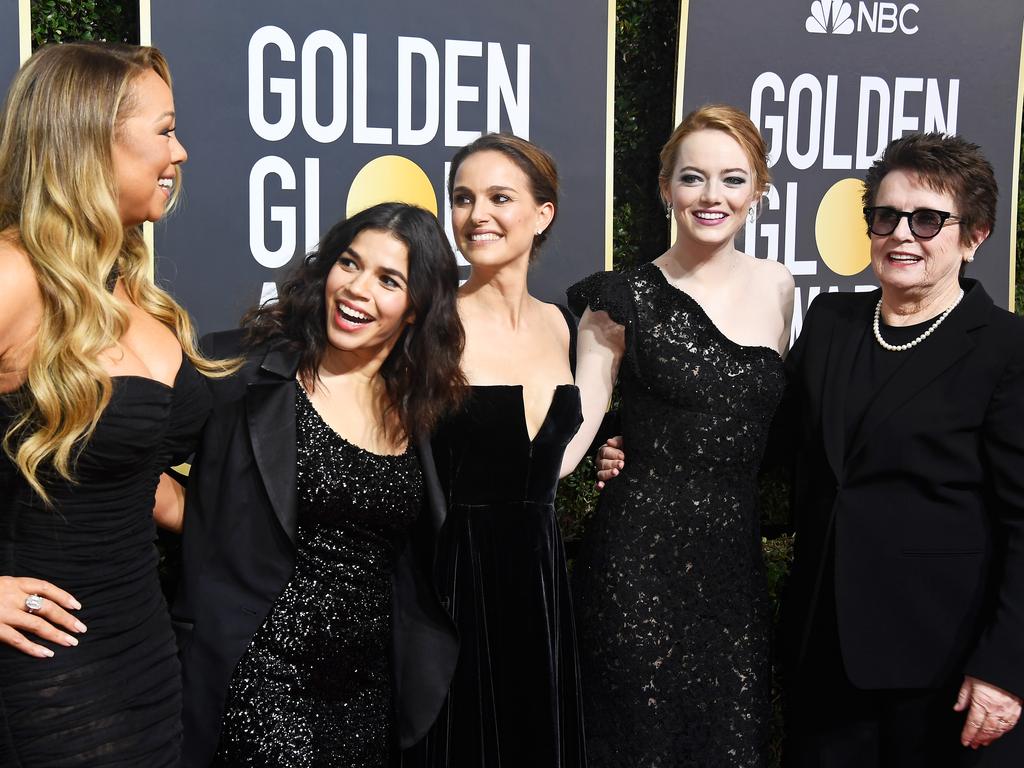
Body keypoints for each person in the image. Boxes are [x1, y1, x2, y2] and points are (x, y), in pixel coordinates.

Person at [0, 42, 230, 764]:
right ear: (89, 139)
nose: (182, 151)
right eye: (163, 130)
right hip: (45, 668)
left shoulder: (131, 291)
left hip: (143, 650)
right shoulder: (11, 277)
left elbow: (135, 484)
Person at [171, 202, 466, 767]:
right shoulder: (242, 369)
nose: (357, 289)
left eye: (388, 280)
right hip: (260, 680)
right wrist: (205, 516)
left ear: (415, 309)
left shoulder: (423, 407)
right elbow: (126, 466)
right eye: (349, 264)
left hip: (367, 696)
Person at [773, 133, 1023, 767]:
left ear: (976, 235)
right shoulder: (832, 322)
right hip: (823, 651)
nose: (901, 234)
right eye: (886, 216)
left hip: (944, 666)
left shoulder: (1004, 349)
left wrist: (1004, 667)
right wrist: (640, 447)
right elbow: (772, 442)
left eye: (928, 219)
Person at [562, 104, 794, 766]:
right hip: (635, 564)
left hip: (733, 573)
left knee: (730, 743)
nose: (711, 196)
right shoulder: (621, 297)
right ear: (666, 189)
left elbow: (766, 427)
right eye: (693, 178)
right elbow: (580, 422)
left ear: (758, 188)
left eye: (732, 178)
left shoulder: (781, 288)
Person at [403, 133, 587, 767]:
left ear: (543, 213)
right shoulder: (429, 326)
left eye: (499, 197)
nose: (477, 214)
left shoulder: (563, 323)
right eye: (463, 198)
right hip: (452, 589)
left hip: (540, 584)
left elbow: (551, 457)